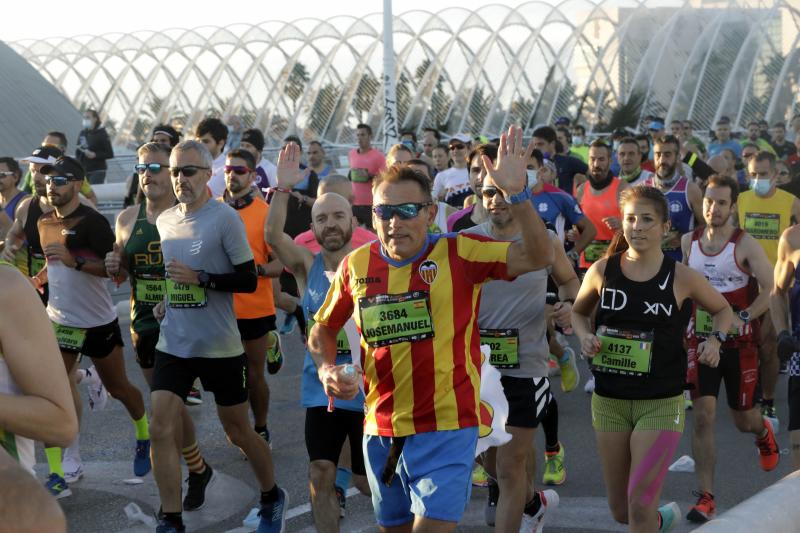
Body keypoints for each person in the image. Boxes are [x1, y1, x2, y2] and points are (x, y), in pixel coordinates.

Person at [309, 126, 554, 530]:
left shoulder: (458, 252)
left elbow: (539, 254)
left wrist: (520, 196)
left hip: (447, 428)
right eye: (384, 212)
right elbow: (322, 329)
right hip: (381, 429)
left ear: (429, 213)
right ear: (372, 216)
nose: (395, 223)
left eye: (407, 211)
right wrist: (326, 369)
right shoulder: (357, 266)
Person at [572, 185, 732, 533]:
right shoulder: (602, 271)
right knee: (622, 511)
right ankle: (663, 521)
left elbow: (723, 310)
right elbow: (578, 313)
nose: (638, 227)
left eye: (647, 220)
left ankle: (651, 519)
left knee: (640, 504)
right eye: (631, 219)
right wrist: (584, 336)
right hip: (610, 401)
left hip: (660, 403)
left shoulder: (681, 277)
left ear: (665, 228)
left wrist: (715, 341)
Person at [148, 140, 286, 533]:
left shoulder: (224, 219)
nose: (179, 179)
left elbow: (246, 278)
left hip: (220, 345)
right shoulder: (165, 220)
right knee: (161, 425)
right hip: (174, 343)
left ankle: (271, 494)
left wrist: (202, 280)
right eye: (173, 171)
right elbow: (174, 273)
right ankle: (171, 519)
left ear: (209, 174)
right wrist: (167, 300)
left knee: (237, 431)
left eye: (188, 171)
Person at [465, 171, 583, 531]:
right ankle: (534, 502)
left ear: (520, 194)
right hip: (478, 368)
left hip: (525, 365)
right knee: (486, 457)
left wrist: (567, 305)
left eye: (503, 192)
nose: (496, 200)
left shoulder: (543, 239)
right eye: (488, 193)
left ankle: (521, 507)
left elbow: (570, 283)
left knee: (509, 465)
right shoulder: (466, 241)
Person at [104, 142, 213, 512]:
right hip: (143, 324)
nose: (147, 175)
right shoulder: (126, 219)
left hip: (182, 322)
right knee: (168, 404)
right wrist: (114, 264)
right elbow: (122, 272)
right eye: (141, 168)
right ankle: (197, 468)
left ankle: (181, 493)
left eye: (155, 168)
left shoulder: (189, 217)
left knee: (164, 408)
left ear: (172, 172)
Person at [266, 143, 370, 531]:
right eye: (321, 218)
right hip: (321, 390)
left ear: (352, 221)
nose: (330, 224)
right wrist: (282, 188)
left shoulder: (372, 262)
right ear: (312, 228)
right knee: (321, 470)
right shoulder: (305, 267)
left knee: (366, 479)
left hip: (370, 389)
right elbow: (272, 234)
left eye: (338, 216)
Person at [37, 156, 150, 498]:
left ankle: (143, 435)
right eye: (47, 181)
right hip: (61, 322)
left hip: (97, 322)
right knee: (51, 393)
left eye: (59, 181)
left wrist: (77, 262)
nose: (50, 186)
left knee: (120, 389)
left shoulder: (93, 222)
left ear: (77, 183)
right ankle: (56, 472)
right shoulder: (43, 222)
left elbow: (115, 272)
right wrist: (39, 278)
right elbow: (51, 263)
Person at [681, 175, 779, 523]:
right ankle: (706, 497)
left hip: (738, 344)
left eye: (721, 202)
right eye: (709, 201)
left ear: (733, 206)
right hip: (702, 343)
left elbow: (771, 288)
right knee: (704, 416)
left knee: (743, 420)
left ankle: (762, 429)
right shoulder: (687, 242)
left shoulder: (744, 244)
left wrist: (743, 316)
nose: (714, 208)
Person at [222, 148, 283, 444]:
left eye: (239, 170)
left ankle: (260, 427)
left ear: (252, 175)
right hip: (219, 310)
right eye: (228, 170)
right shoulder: (211, 210)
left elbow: (279, 264)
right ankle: (240, 429)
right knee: (232, 377)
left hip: (255, 308)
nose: (232, 175)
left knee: (255, 376)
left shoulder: (264, 213)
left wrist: (254, 271)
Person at [738, 150, 800, 431]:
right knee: (745, 341)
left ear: (775, 174)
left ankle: (768, 398)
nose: (758, 180)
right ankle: (747, 391)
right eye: (753, 174)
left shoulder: (791, 203)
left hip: (777, 283)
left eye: (763, 174)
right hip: (745, 281)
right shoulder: (741, 199)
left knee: (770, 345)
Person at [643, 135, 703, 262]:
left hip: (681, 264)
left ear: (677, 157)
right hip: (650, 264)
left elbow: (706, 225)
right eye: (658, 154)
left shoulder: (690, 189)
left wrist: (684, 238)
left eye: (667, 155)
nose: (662, 159)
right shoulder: (643, 189)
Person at [771, 223, 800, 470]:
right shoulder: (793, 238)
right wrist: (782, 332)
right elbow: (777, 293)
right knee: (799, 442)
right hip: (799, 359)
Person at [576, 140, 629, 273]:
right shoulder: (581, 189)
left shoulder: (623, 188)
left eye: (601, 159)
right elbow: (576, 224)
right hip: (586, 263)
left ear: (610, 161)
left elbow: (636, 223)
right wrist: (574, 232)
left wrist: (622, 223)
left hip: (616, 261)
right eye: (592, 159)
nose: (596, 164)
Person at [293, 175, 377, 254]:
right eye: (323, 201)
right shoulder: (301, 243)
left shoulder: (372, 244)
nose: (330, 224)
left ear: (351, 200)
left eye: (336, 200)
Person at [124, 124, 182, 207]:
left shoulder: (182, 172)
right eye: (155, 141)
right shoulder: (138, 176)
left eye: (163, 141)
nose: (158, 144)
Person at [348, 123, 386, 227]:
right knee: (354, 235)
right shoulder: (352, 154)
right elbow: (351, 176)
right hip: (355, 203)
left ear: (370, 136)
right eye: (358, 135)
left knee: (373, 234)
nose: (360, 138)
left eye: (363, 135)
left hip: (372, 203)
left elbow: (385, 179)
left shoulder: (378, 156)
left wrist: (369, 176)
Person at [532, 125, 587, 194]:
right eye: (535, 145)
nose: (536, 148)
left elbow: (591, 174)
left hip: (564, 203)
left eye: (540, 144)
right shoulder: (531, 164)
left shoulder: (568, 162)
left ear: (552, 143)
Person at [431, 134, 472, 208]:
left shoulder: (477, 171)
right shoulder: (441, 176)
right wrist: (440, 199)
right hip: (453, 218)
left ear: (469, 149)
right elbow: (432, 200)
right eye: (452, 147)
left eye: (460, 147)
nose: (455, 150)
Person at [76, 109, 114, 185]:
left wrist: (95, 155)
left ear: (95, 119)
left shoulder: (103, 134)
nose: (85, 120)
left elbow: (110, 154)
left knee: (92, 192)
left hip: (97, 171)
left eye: (88, 118)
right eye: (84, 118)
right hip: (83, 170)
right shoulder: (83, 133)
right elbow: (78, 149)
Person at [194, 117, 228, 198]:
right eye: (198, 141)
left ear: (221, 143)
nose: (200, 145)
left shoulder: (229, 168)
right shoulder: (192, 165)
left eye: (206, 141)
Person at [239, 128, 277, 193]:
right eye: (242, 145)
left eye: (248, 146)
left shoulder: (271, 170)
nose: (243, 149)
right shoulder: (236, 166)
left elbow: (274, 195)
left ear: (258, 149)